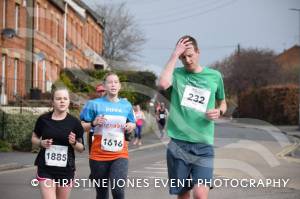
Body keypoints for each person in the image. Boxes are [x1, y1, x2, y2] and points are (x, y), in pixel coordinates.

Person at [158, 35, 227, 199]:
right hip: (178, 144)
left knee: (200, 194)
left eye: (190, 55)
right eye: (183, 57)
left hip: (203, 144)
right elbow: (162, 84)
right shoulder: (176, 74)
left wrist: (220, 111)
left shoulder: (214, 76)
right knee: (183, 195)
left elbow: (222, 102)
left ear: (198, 52)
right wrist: (174, 55)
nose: (187, 60)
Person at [80, 72, 136, 199]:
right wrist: (93, 123)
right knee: (102, 193)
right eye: (110, 82)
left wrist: (131, 126)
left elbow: (132, 122)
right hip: (98, 155)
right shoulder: (93, 104)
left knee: (118, 190)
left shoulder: (126, 105)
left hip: (120, 154)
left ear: (120, 86)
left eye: (116, 82)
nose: (113, 85)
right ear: (104, 86)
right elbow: (81, 126)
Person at [31, 86, 85, 199]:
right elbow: (34, 138)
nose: (62, 101)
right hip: (45, 168)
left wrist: (74, 143)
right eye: (58, 98)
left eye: (65, 98)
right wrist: (41, 143)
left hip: (66, 170)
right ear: (53, 102)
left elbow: (81, 148)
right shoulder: (43, 119)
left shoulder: (74, 122)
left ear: (69, 101)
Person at [82, 83, 106, 154]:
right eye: (99, 91)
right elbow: (83, 118)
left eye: (103, 91)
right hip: (93, 132)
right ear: (96, 92)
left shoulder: (111, 103)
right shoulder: (91, 103)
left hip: (107, 133)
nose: (101, 93)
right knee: (93, 154)